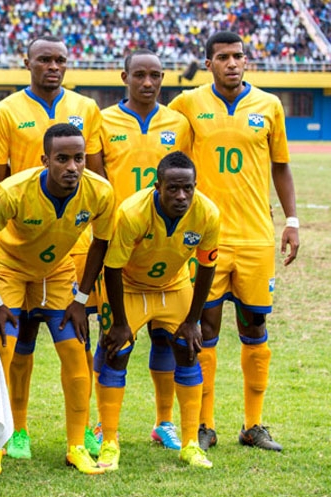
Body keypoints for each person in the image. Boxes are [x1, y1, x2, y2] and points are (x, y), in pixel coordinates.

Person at [169, 31, 299, 451]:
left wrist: (292, 220)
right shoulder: (188, 104)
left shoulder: (269, 105)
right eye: (223, 57)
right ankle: (204, 425)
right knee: (204, 327)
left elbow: (281, 167)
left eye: (238, 56)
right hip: (206, 235)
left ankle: (253, 425)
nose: (232, 63)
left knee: (255, 324)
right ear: (208, 63)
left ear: (246, 61)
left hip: (256, 237)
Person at [0, 36, 104, 465]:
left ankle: (81, 437)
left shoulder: (86, 109)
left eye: (60, 60)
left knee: (76, 343)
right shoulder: (5, 111)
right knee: (11, 343)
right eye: (44, 60)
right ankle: (8, 435)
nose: (53, 66)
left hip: (66, 250)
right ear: (27, 62)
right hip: (15, 249)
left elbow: (99, 186)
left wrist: (83, 292)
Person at [96, 151, 220, 471]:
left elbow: (207, 267)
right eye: (173, 189)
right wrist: (121, 323)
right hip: (128, 285)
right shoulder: (132, 213)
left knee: (188, 349)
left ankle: (190, 443)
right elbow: (112, 268)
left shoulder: (207, 213)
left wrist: (193, 320)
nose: (181, 196)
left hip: (173, 285)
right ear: (157, 186)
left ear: (195, 186)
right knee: (116, 351)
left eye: (188, 188)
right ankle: (109, 440)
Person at [98, 49, 194, 451]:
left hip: (167, 246)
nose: (149, 83)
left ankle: (164, 422)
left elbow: (186, 181)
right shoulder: (102, 121)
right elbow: (97, 178)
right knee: (113, 339)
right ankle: (104, 426)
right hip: (120, 245)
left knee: (166, 339)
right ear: (125, 76)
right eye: (140, 75)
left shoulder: (178, 123)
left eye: (156, 75)